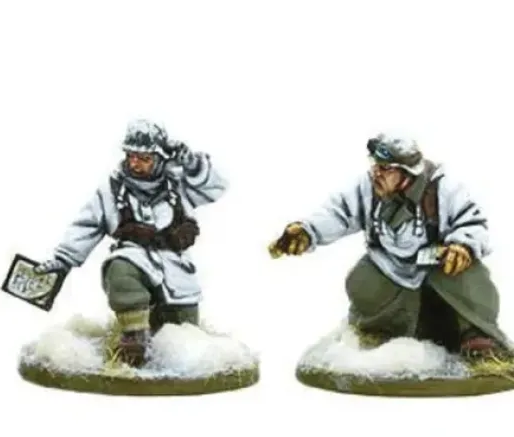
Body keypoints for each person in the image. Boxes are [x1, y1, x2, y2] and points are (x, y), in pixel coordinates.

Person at [269, 133, 508, 357]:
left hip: (439, 265)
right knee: (363, 281)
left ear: (406, 172)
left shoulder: (444, 189)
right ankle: (384, 332)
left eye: (385, 169)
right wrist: (308, 231)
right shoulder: (367, 188)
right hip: (389, 263)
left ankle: (476, 337)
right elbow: (339, 213)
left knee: (469, 280)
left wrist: (462, 246)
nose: (376, 173)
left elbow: (472, 222)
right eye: (375, 166)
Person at [35, 119, 227, 366]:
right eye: (131, 156)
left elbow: (216, 187)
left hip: (175, 269)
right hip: (132, 257)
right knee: (120, 271)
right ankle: (134, 338)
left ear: (159, 159)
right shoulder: (112, 190)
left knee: (183, 336)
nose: (135, 164)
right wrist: (63, 260)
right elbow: (87, 224)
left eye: (144, 158)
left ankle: (165, 355)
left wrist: (192, 163)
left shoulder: (178, 183)